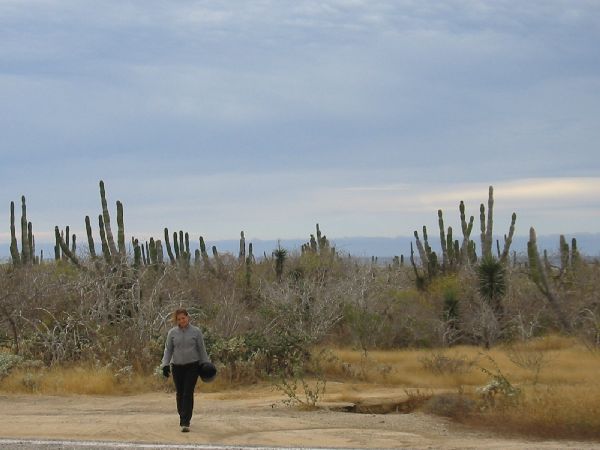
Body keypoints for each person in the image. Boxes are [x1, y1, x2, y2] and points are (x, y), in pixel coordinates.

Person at [161, 308, 213, 432]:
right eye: (179, 319)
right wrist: (165, 365)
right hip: (177, 367)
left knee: (187, 392)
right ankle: (182, 414)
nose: (181, 321)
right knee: (180, 393)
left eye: (183, 318)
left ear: (187, 317)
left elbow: (202, 349)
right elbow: (168, 350)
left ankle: (185, 421)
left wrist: (205, 364)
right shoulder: (172, 333)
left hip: (192, 366)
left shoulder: (196, 332)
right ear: (176, 320)